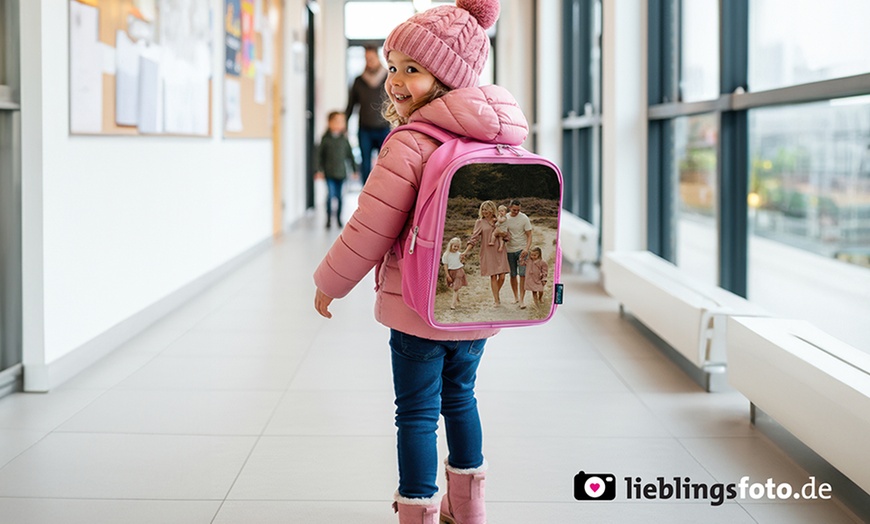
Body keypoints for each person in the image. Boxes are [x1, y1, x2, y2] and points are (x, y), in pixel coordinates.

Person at [313, 1, 524, 522]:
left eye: (413, 69)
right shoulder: (499, 137)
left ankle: (419, 512)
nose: (397, 81)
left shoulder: (410, 142)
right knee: (462, 398)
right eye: (394, 67)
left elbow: (371, 225)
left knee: (416, 413)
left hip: (418, 307)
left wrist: (330, 282)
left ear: (449, 76)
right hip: (475, 303)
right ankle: (468, 508)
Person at [345, 46, 391, 185]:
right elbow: (351, 104)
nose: (369, 61)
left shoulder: (388, 77)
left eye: (371, 58)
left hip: (384, 127)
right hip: (365, 128)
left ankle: (383, 191)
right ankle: (365, 191)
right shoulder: (359, 80)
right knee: (365, 163)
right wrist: (344, 124)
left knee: (385, 163)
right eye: (366, 59)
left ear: (377, 58)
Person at [463, 200, 510, 306]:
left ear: (492, 210)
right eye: (483, 209)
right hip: (488, 251)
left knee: (502, 276)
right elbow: (473, 238)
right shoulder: (479, 222)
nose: (484, 212)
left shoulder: (499, 220)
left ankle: (496, 294)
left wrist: (503, 234)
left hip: (500, 250)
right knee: (493, 276)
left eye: (487, 209)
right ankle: (496, 300)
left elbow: (508, 236)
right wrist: (466, 252)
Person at [315, 111, 358, 228]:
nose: (340, 124)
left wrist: (354, 170)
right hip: (329, 173)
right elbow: (319, 156)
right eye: (337, 121)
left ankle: (338, 218)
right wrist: (318, 170)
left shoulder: (344, 140)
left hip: (342, 173)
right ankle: (328, 218)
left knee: (339, 197)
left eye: (342, 121)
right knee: (330, 196)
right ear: (329, 123)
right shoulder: (325, 140)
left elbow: (350, 156)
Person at [503, 199, 533, 309]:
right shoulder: (505, 218)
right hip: (509, 250)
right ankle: (515, 297)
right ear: (509, 207)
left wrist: (526, 248)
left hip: (522, 249)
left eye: (518, 210)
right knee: (513, 275)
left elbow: (529, 235)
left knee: (523, 275)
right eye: (514, 210)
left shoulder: (524, 218)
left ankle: (522, 300)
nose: (516, 212)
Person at [441, 237, 468, 309]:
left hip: (459, 271)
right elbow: (445, 266)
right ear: (451, 245)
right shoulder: (446, 255)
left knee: (456, 288)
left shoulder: (459, 254)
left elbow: (462, 262)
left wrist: (463, 259)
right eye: (455, 246)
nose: (456, 248)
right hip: (451, 272)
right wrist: (447, 275)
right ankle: (457, 299)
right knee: (455, 287)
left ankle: (453, 304)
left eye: (458, 247)